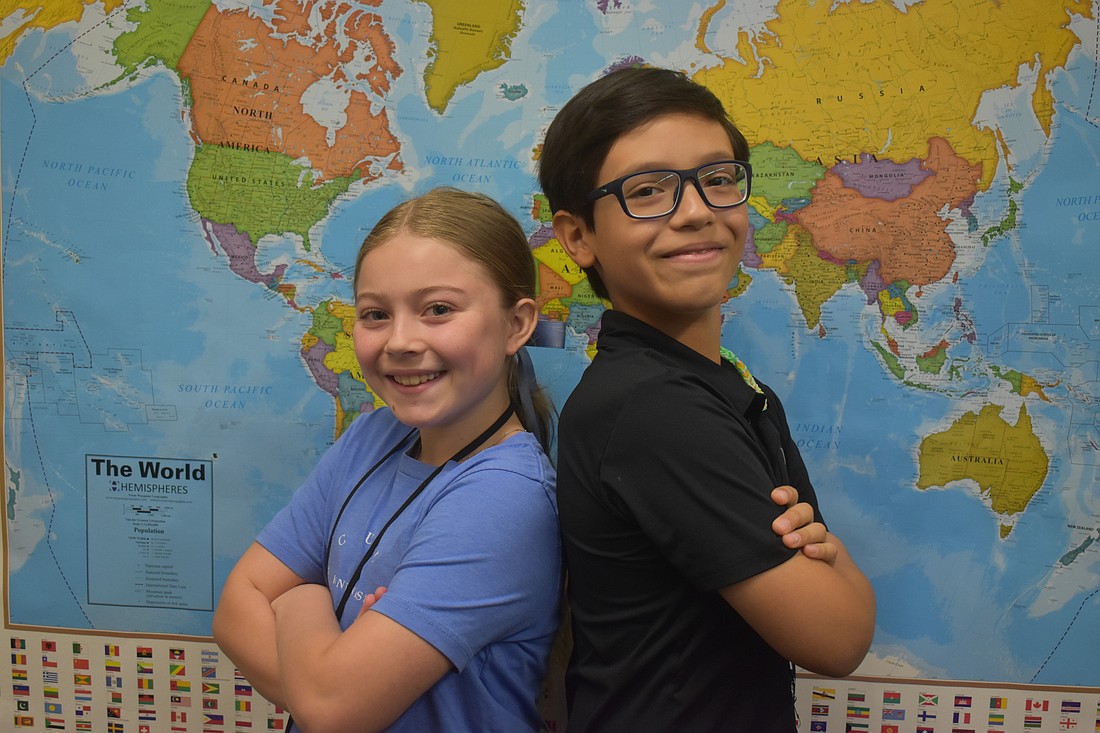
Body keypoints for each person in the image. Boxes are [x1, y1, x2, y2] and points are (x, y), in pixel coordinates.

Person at [539, 66, 876, 731]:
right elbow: (837, 638)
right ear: (578, 237)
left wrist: (835, 570)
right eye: (647, 190)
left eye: (718, 179)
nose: (696, 210)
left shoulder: (724, 383)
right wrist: (832, 566)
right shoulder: (654, 408)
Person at [212, 187, 563, 732]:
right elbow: (236, 609)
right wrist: (326, 681)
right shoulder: (374, 435)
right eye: (376, 314)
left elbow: (334, 712)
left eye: (438, 309)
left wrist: (303, 600)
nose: (400, 340)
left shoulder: (505, 496)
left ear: (517, 325)